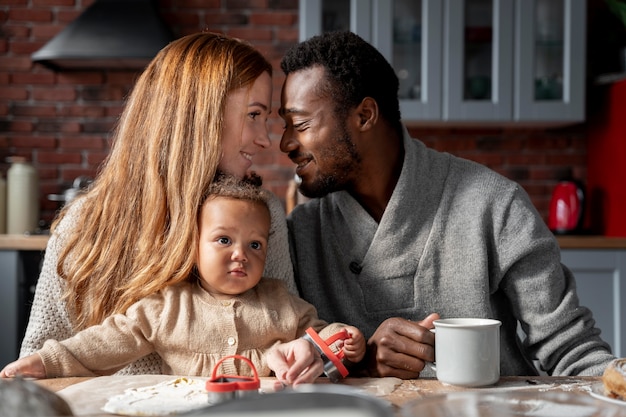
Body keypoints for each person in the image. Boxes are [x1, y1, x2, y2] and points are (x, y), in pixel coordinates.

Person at [278, 31, 616, 379]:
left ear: (365, 116)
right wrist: (362, 362)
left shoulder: (494, 205)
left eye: (300, 124)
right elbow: (290, 364)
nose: (285, 143)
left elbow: (570, 348)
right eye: (285, 126)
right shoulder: (300, 232)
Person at [18, 32, 298, 376]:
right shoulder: (84, 223)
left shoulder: (261, 214)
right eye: (254, 115)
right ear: (199, 114)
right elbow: (32, 372)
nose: (265, 139)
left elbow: (291, 328)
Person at [1, 173, 365, 384]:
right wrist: (47, 361)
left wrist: (346, 340)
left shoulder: (280, 301)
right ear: (193, 247)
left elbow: (322, 334)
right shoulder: (167, 306)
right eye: (224, 240)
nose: (241, 254)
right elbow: (103, 344)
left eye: (255, 244)